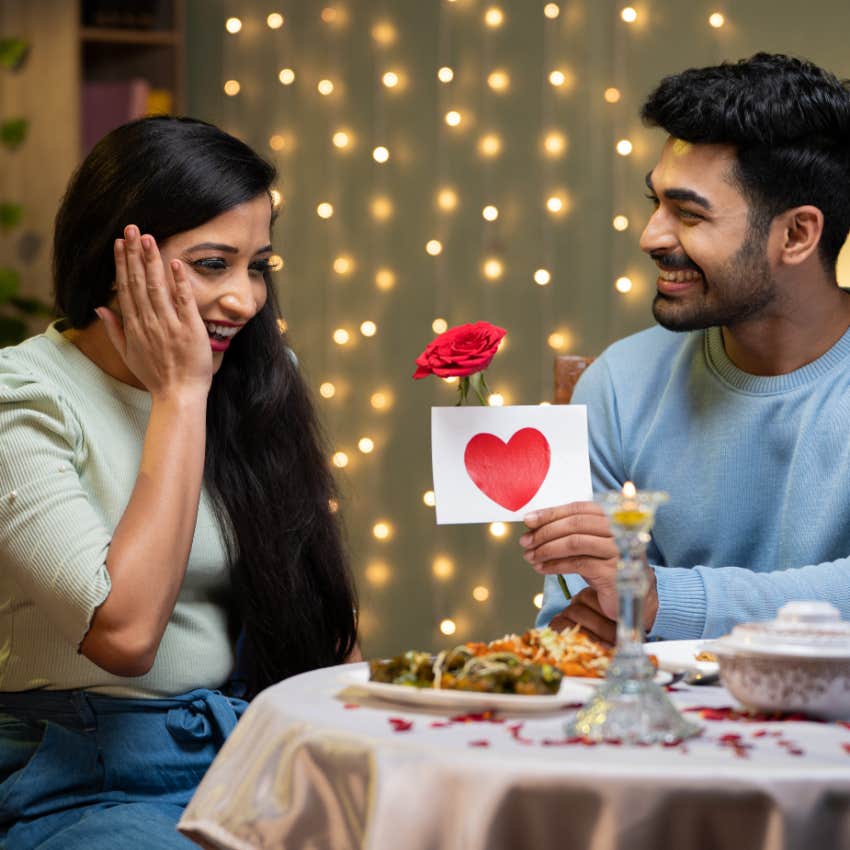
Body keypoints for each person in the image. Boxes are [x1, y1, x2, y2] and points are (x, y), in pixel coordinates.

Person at [0, 116, 359, 848]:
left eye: (257, 265)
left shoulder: (255, 379)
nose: (245, 299)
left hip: (246, 750)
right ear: (116, 259)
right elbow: (125, 635)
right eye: (210, 264)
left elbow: (310, 617)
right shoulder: (23, 397)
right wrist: (179, 398)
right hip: (79, 779)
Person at [524, 53, 850, 645]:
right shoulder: (618, 386)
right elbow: (576, 630)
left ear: (797, 234)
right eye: (656, 203)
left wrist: (662, 600)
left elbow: (632, 611)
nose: (651, 236)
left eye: (689, 214)